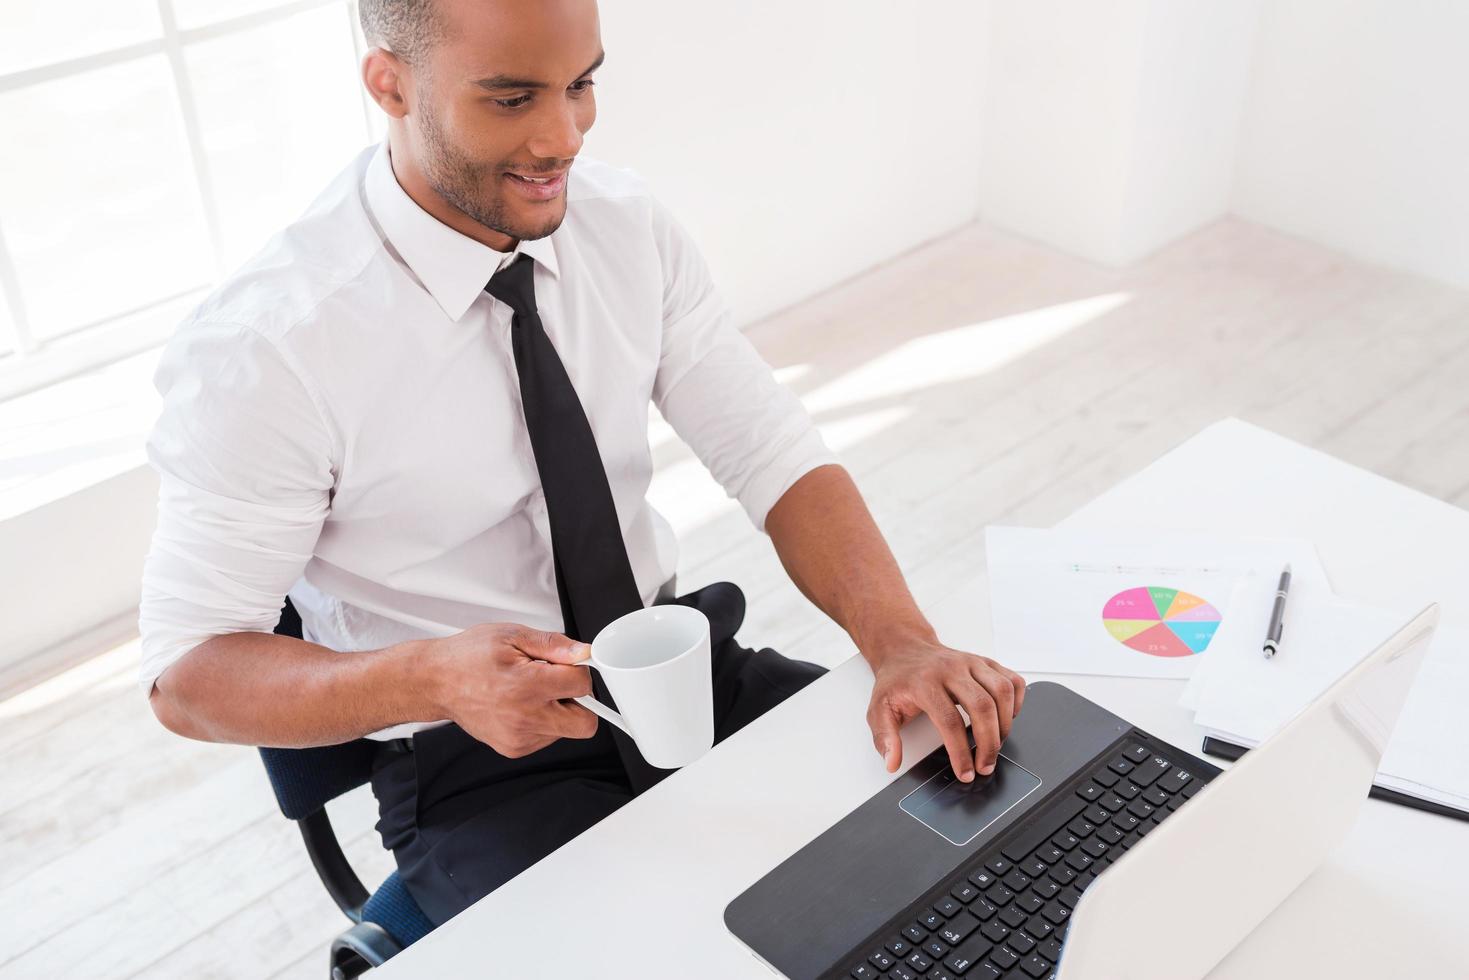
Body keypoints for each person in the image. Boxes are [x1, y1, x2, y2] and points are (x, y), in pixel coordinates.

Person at [139, 0, 1027, 927]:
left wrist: (900, 640)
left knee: (982, 850)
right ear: (389, 83)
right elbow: (188, 677)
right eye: (512, 97)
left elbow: (769, 450)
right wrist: (432, 678)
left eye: (581, 85)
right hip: (477, 760)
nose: (561, 137)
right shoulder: (270, 347)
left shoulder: (625, 228)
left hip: (683, 675)